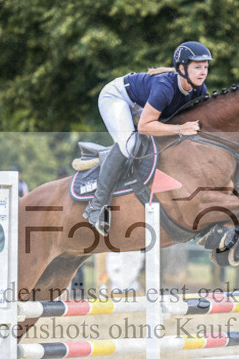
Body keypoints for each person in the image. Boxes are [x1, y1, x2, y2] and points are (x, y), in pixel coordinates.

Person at [84, 41, 212, 234]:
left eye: (205, 67)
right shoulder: (165, 87)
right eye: (197, 67)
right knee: (130, 144)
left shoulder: (199, 89)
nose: (203, 72)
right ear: (182, 68)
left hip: (143, 104)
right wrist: (179, 129)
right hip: (117, 97)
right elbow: (144, 127)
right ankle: (96, 207)